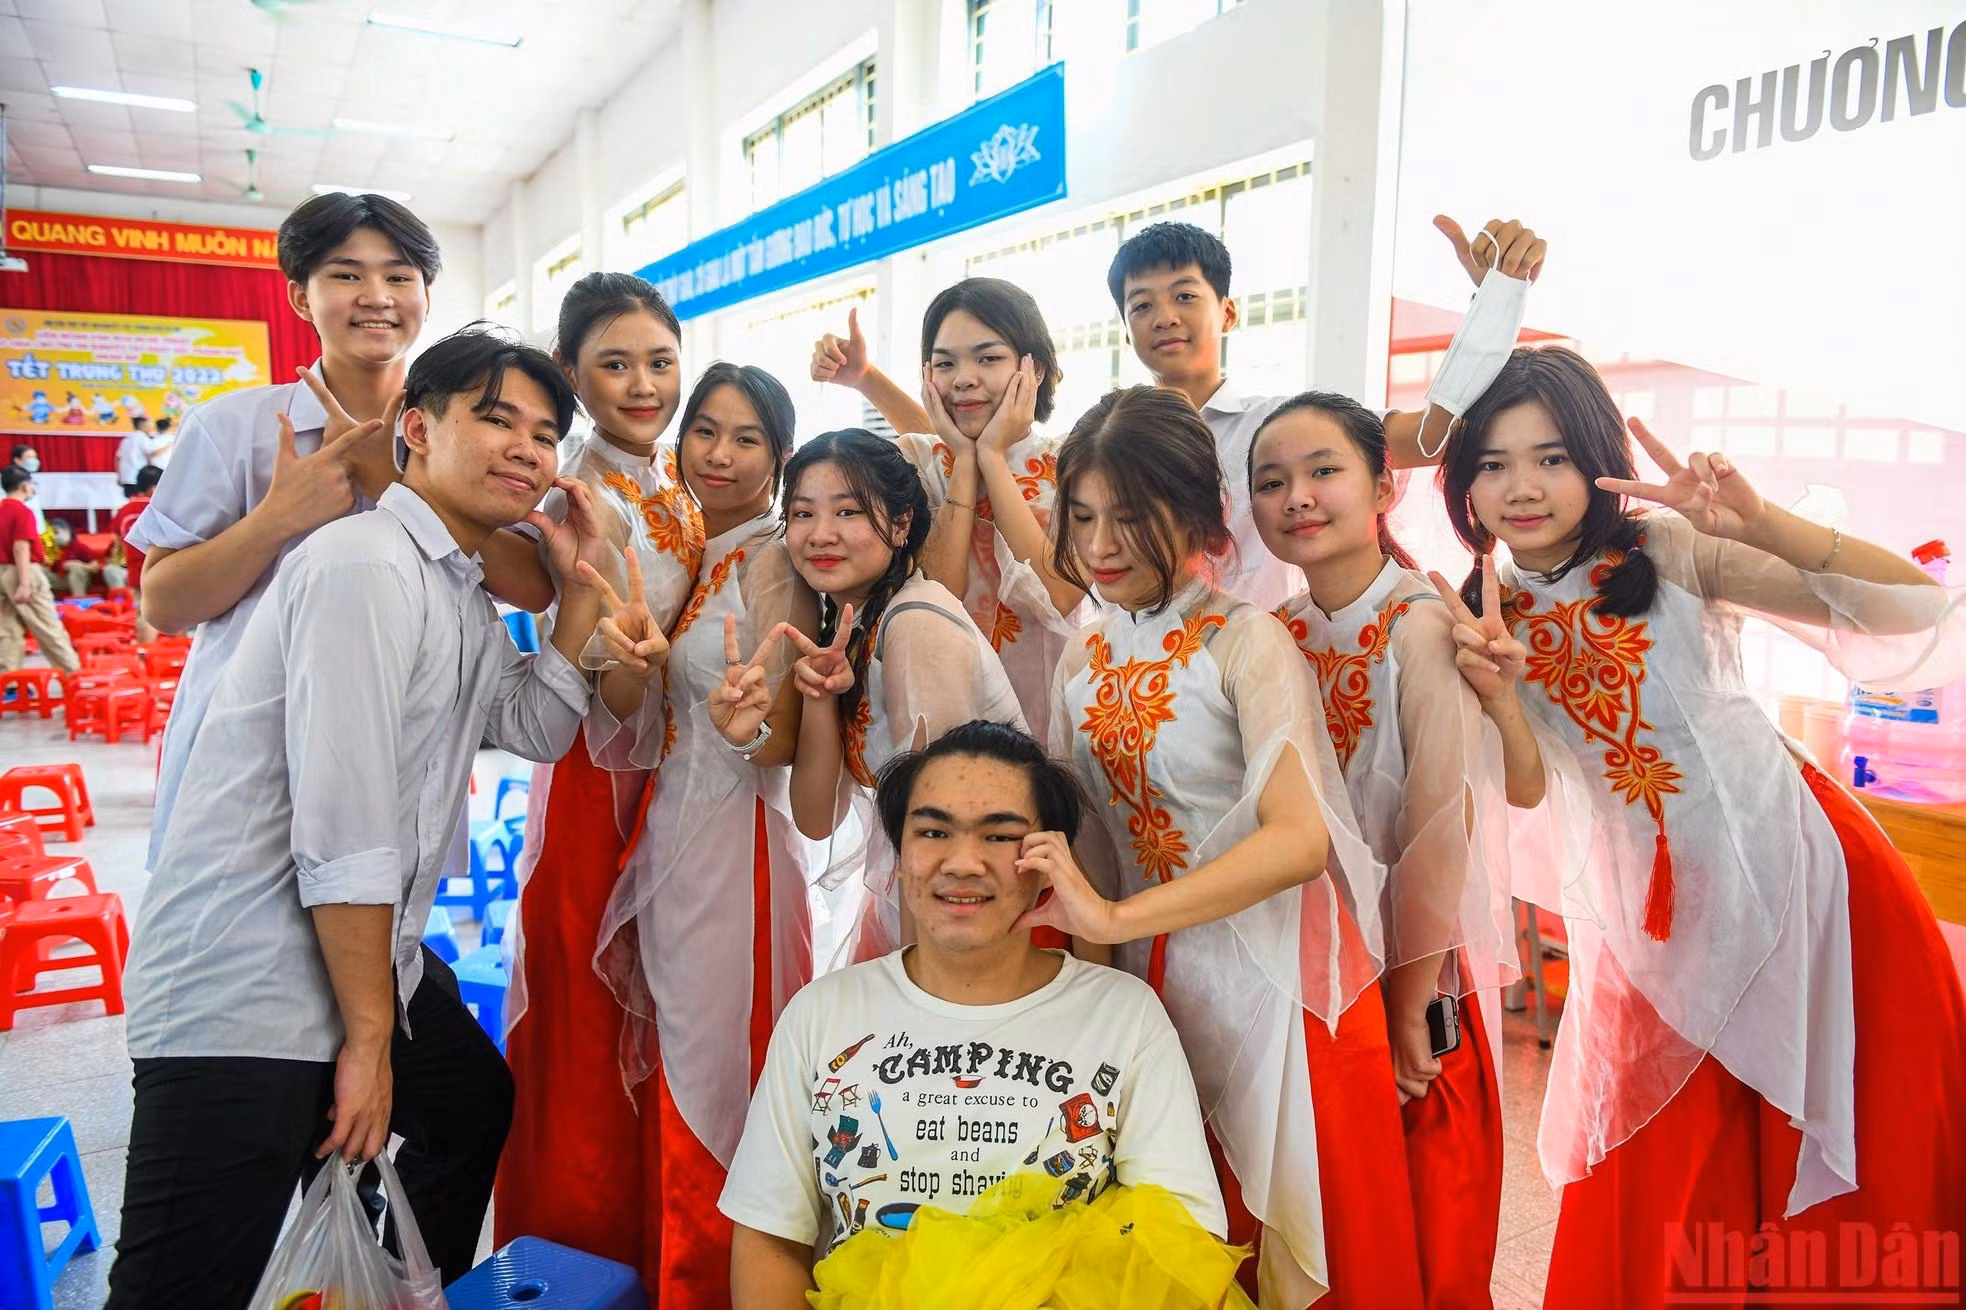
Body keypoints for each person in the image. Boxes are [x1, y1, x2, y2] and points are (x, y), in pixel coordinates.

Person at [105, 327, 644, 1310]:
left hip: (365, 959)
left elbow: (533, 724)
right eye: (493, 417)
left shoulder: (456, 587)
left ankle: (382, 1292)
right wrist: (367, 1045)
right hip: (250, 985)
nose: (526, 447)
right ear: (415, 429)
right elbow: (344, 830)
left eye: (542, 432)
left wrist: (573, 594)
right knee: (182, 1283)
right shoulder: (365, 563)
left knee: (470, 1105)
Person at [1436, 345, 1966, 1309]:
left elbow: (1911, 609)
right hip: (1656, 933)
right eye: (1494, 461)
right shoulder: (1478, 612)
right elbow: (1519, 793)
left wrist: (1763, 522)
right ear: (1461, 479)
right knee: (1678, 1180)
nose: (1523, 487)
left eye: (1551, 457)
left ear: (1596, 459)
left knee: (1843, 1151)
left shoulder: (1668, 550)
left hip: (1806, 881)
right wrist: (1504, 698)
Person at [1025, 385, 1384, 1309]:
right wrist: (1094, 987)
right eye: (1083, 517)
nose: (1101, 546)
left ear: (1193, 514)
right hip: (1144, 976)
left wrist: (1115, 916)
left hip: (1273, 976)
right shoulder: (1080, 657)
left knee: (1270, 1232)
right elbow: (1090, 842)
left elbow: (1301, 841)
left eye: (1130, 519)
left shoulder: (1247, 639)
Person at [721, 720, 1238, 1308]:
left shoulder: (1124, 1015)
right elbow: (769, 1239)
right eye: (933, 831)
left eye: (999, 837)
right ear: (900, 849)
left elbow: (1182, 1249)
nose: (962, 862)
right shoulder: (822, 1015)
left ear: (1051, 858)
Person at [125, 192, 555, 872]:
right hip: (257, 755)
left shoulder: (471, 433)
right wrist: (277, 519)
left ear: (426, 294)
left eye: (399, 275)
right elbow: (164, 602)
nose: (376, 295)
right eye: (346, 274)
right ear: (301, 296)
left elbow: (532, 583)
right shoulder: (234, 429)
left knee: (381, 950)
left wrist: (387, 481)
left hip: (403, 748)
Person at [1250, 392, 1564, 1308]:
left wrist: (1409, 1007)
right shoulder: (1279, 630)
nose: (1299, 498)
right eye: (1273, 483)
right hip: (1329, 969)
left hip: (1415, 977)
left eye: (1324, 472)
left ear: (1383, 485)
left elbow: (1441, 829)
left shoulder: (1420, 625)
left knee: (1425, 1231)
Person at [1104, 217, 1545, 608]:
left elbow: (1431, 437)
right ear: (1125, 330)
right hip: (1147, 678)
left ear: (1227, 312)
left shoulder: (1282, 426)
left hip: (1274, 665)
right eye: (1142, 305)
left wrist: (1495, 304)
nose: (1163, 317)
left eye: (1184, 296)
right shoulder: (1107, 446)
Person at [759, 428, 1025, 963]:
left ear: (902, 523)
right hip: (921, 901)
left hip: (975, 916)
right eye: (804, 514)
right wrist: (816, 698)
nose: (821, 534)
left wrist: (919, 983)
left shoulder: (916, 623)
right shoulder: (857, 629)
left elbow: (951, 833)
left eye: (849, 512)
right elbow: (815, 819)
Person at [813, 279, 1075, 745]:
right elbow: (939, 591)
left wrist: (991, 456)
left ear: (1033, 367)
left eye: (988, 358)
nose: (963, 379)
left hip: (1045, 712)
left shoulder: (1070, 466)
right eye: (945, 363)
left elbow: (1057, 596)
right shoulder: (914, 459)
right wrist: (967, 459)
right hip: (935, 709)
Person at [0, 465, 79, 674]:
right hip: (22, 570)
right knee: (48, 626)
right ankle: (72, 675)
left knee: (8, 629)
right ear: (25, 486)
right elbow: (20, 546)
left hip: (2, 572)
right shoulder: (22, 511)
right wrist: (25, 583)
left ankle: (7, 680)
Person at [45, 518, 126, 596]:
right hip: (57, 580)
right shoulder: (50, 548)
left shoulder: (80, 547)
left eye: (56, 533)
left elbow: (95, 567)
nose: (54, 537)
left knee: (76, 568)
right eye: (51, 534)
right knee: (37, 570)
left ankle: (78, 599)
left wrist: (77, 565)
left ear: (67, 531)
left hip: (77, 580)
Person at [7, 444, 46, 532]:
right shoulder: (9, 478)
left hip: (33, 525)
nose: (34, 460)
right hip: (17, 525)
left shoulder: (31, 478)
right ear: (17, 460)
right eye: (29, 457)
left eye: (35, 457)